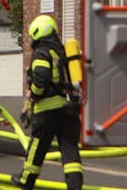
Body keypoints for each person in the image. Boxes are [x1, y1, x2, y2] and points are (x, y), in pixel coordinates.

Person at [20, 14, 82, 190]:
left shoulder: (41, 52)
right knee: (70, 151)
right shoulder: (62, 52)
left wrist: (33, 94)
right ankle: (75, 186)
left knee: (37, 147)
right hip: (69, 109)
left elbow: (41, 77)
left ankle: (26, 181)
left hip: (48, 110)